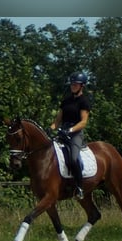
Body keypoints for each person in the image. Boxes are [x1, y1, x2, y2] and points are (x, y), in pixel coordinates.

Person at [50, 71, 92, 200]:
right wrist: (49, 129)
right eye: (72, 84)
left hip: (76, 134)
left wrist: (71, 130)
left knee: (73, 158)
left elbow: (84, 122)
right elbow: (57, 121)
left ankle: (79, 187)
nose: (72, 86)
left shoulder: (84, 101)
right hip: (63, 131)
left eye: (75, 84)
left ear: (82, 86)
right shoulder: (66, 101)